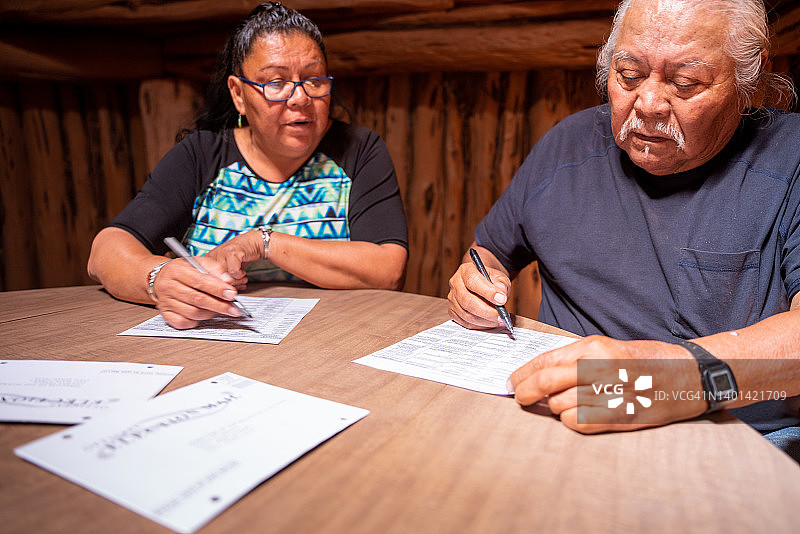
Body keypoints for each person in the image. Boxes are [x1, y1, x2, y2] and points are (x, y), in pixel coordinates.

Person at [448, 0, 800, 458]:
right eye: (629, 75)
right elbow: (488, 256)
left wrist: (672, 379)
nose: (648, 104)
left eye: (686, 82)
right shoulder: (567, 144)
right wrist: (476, 284)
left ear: (748, 78)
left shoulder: (791, 158)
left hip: (735, 439)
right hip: (564, 422)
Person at [88, 2, 408, 329]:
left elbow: (387, 270)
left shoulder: (359, 150)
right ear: (239, 94)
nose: (300, 98)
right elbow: (105, 251)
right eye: (276, 83)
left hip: (333, 338)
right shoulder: (201, 154)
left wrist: (263, 242)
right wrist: (158, 278)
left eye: (314, 80)